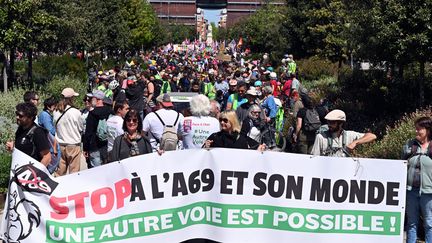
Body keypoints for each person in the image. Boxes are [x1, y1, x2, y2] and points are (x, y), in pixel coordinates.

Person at [403, 117, 432, 243]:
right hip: (411, 191)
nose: (416, 131)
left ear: (428, 130)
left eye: (419, 129)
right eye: (416, 129)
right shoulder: (410, 145)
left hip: (429, 192)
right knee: (411, 223)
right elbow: (402, 163)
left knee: (429, 223)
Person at [310, 109, 377, 157]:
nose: (329, 125)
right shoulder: (320, 137)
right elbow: (314, 158)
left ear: (341, 123)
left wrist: (355, 142)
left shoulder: (350, 135)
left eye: (332, 122)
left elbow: (372, 136)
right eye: (328, 122)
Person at [54, 88, 83, 176]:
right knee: (74, 172)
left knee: (59, 172)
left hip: (60, 144)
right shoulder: (76, 112)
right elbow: (80, 127)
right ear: (71, 98)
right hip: (73, 144)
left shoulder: (56, 111)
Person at [83, 90, 112, 167]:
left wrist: (85, 148)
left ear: (96, 99)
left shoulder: (92, 114)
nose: (90, 100)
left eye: (92, 98)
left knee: (95, 172)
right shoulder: (110, 111)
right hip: (107, 146)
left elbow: (88, 133)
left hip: (94, 146)